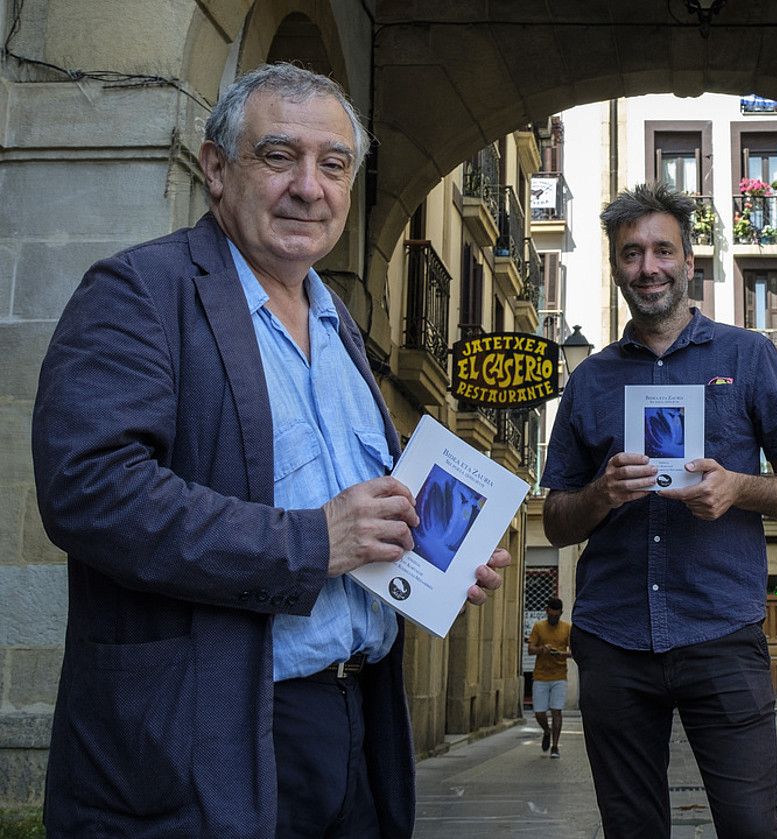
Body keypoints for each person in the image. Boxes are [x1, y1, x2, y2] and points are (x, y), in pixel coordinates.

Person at [31, 63, 511, 838]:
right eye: (279, 156)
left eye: (333, 164)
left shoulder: (341, 327)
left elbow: (357, 515)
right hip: (206, 735)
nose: (308, 187)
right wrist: (312, 540)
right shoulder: (140, 293)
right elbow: (90, 490)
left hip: (356, 726)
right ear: (217, 169)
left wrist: (434, 554)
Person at [541, 183, 777, 837]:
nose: (648, 267)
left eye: (662, 250)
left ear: (689, 261)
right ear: (615, 267)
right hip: (613, 638)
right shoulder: (590, 380)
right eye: (631, 253)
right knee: (630, 827)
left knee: (752, 824)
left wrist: (737, 487)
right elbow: (556, 519)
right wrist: (599, 494)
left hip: (721, 629)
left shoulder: (746, 357)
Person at [527, 597, 572, 758]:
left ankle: (555, 746)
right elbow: (530, 649)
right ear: (547, 612)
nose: (554, 618)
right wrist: (542, 649)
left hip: (559, 674)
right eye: (551, 615)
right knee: (539, 712)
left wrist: (561, 653)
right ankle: (546, 730)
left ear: (561, 613)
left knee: (556, 711)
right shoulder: (539, 627)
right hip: (540, 675)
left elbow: (574, 652)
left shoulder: (567, 628)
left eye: (557, 616)